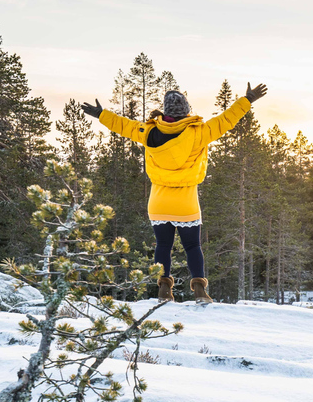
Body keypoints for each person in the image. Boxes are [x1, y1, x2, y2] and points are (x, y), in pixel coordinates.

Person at [81, 82, 268, 303]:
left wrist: (102, 114)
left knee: (163, 246)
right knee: (192, 246)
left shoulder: (148, 132)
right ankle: (199, 289)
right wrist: (246, 100)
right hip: (186, 201)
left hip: (159, 201)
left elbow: (125, 126)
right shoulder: (200, 132)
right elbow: (227, 119)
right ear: (187, 110)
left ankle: (163, 290)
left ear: (166, 111)